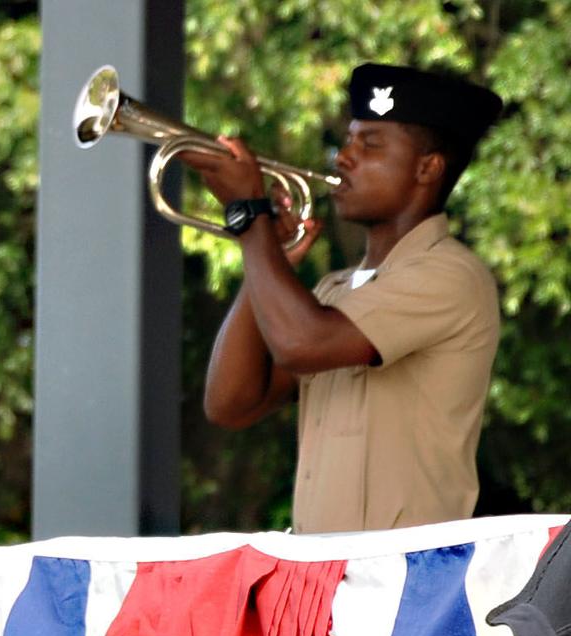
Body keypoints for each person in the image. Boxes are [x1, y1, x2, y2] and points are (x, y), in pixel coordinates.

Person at [184, 64, 504, 534]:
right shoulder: (334, 291)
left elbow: (301, 343)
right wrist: (270, 257)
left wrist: (249, 218)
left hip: (402, 581)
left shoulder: (450, 275)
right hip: (324, 576)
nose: (343, 158)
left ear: (427, 168)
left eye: (370, 145)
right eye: (349, 141)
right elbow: (231, 404)